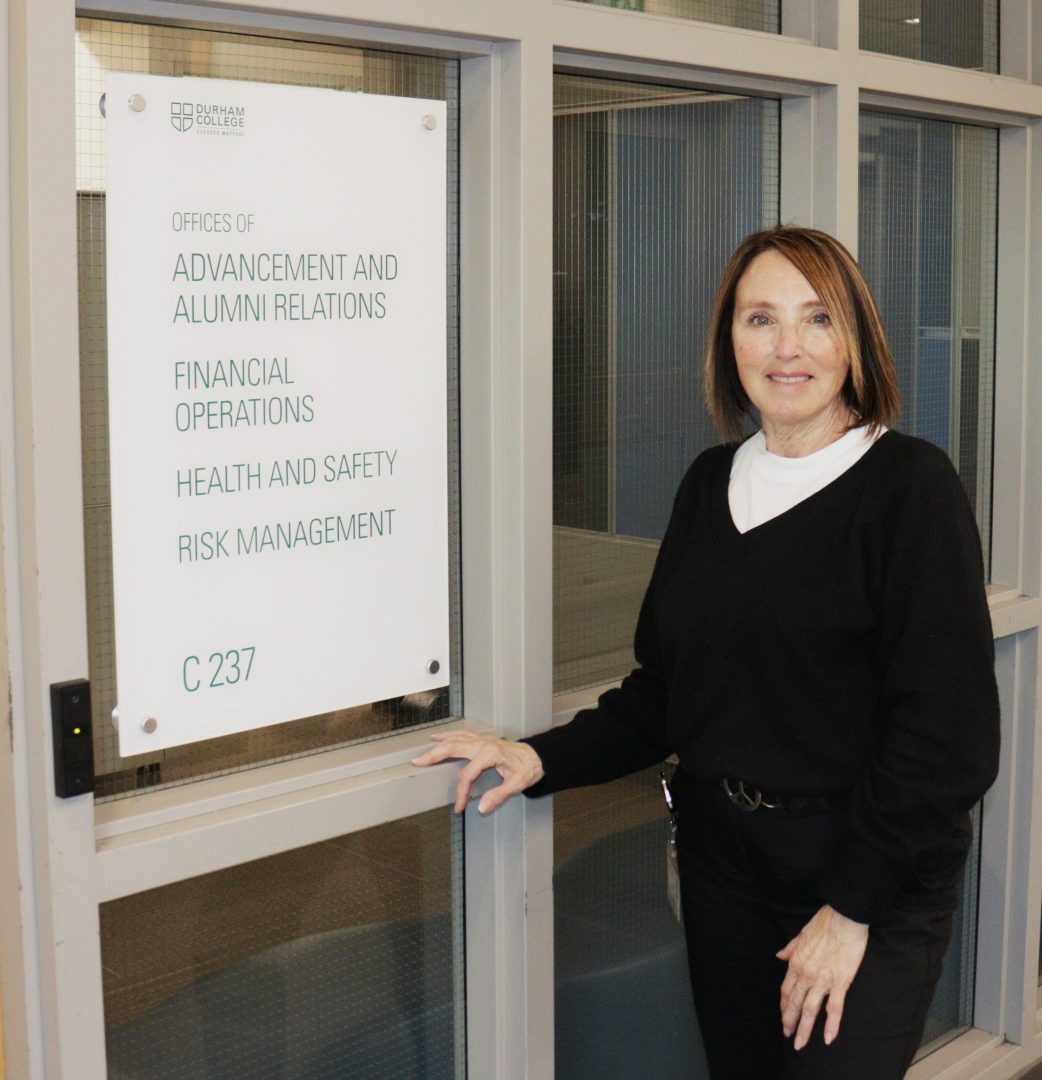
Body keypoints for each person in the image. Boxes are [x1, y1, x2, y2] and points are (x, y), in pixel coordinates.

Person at [413, 226, 1000, 1079]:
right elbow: (665, 693)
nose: (788, 347)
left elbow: (945, 738)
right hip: (724, 869)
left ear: (856, 342)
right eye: (761, 319)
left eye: (817, 319)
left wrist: (849, 909)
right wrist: (534, 757)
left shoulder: (909, 490)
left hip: (864, 874)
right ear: (730, 341)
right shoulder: (708, 484)